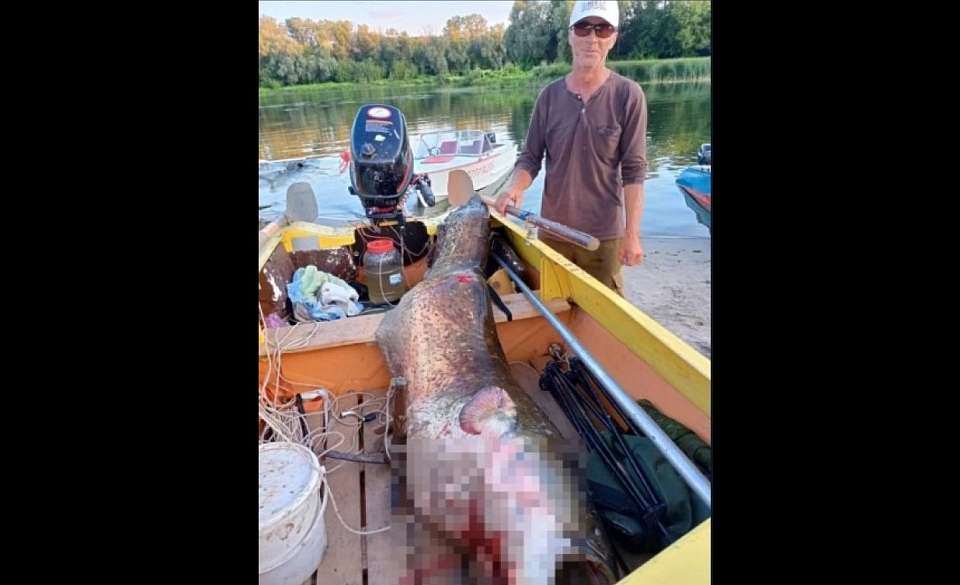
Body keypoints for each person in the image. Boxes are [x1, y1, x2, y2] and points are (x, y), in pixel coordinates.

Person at [495, 0, 646, 296]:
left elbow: (634, 172)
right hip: (552, 233)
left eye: (602, 29)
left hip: (603, 239)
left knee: (602, 316)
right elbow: (530, 158)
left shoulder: (629, 95)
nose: (592, 38)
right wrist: (514, 189)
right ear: (570, 35)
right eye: (583, 28)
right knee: (554, 308)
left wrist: (632, 235)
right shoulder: (548, 97)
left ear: (613, 38)